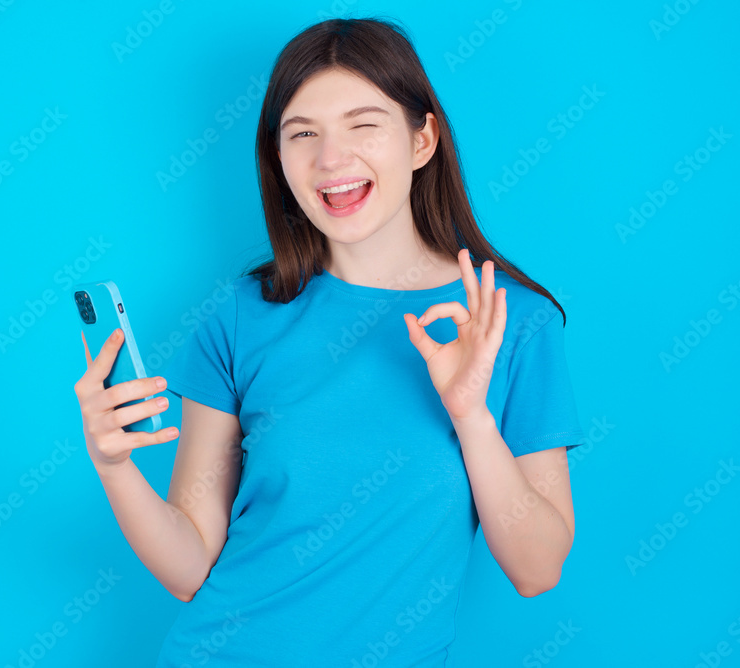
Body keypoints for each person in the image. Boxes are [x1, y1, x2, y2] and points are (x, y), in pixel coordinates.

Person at [73, 16, 585, 667]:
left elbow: (537, 570)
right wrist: (112, 465)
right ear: (279, 159)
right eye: (302, 134)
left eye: (363, 124)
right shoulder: (242, 315)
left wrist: (471, 418)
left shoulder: (514, 322)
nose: (330, 159)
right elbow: (189, 566)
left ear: (422, 138)